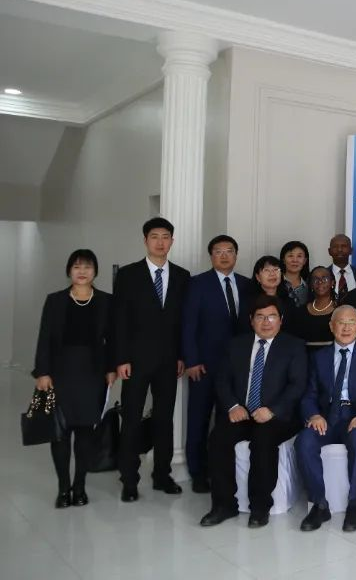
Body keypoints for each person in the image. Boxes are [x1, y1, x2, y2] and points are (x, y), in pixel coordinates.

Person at [200, 294, 307, 528]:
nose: (266, 322)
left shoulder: (294, 346)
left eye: (272, 316)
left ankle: (260, 507)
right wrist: (233, 406)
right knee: (218, 438)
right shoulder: (236, 344)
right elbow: (222, 380)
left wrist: (272, 410)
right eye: (260, 317)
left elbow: (298, 385)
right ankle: (223, 505)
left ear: (281, 320)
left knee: (263, 440)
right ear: (251, 320)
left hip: (277, 416)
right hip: (243, 412)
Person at [112, 217, 190, 502]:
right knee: (131, 419)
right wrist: (121, 358)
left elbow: (183, 321)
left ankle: (162, 475)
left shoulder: (182, 276)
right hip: (135, 360)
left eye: (165, 237)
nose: (160, 242)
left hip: (169, 360)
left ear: (172, 241)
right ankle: (129, 479)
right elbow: (119, 320)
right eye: (154, 236)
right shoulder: (128, 275)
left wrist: (181, 355)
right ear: (145, 240)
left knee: (164, 419)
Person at [32, 249, 114, 508]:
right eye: (77, 266)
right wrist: (42, 372)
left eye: (87, 267)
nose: (82, 271)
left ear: (95, 271)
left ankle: (80, 487)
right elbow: (44, 337)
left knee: (86, 432)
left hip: (92, 373)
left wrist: (111, 368)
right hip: (60, 373)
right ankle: (63, 488)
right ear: (69, 270)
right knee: (60, 432)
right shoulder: (55, 300)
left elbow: (112, 339)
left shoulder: (106, 301)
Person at [296, 305, 356, 532]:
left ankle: (355, 504)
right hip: (326, 417)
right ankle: (319, 505)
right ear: (332, 327)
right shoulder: (318, 357)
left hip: (355, 416)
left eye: (351, 322)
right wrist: (314, 415)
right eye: (341, 322)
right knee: (304, 441)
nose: (346, 327)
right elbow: (309, 394)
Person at [181, 234, 253, 493]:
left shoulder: (247, 284)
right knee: (199, 419)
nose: (224, 256)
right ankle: (198, 472)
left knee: (229, 422)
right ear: (211, 256)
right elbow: (188, 325)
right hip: (204, 365)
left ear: (236, 255)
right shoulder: (197, 284)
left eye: (229, 251)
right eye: (218, 251)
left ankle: (223, 471)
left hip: (237, 368)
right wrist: (191, 360)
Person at [288, 266, 336, 356]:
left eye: (324, 279)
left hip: (332, 360)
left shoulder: (341, 311)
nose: (320, 282)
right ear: (311, 285)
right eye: (315, 279)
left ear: (332, 282)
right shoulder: (299, 312)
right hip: (303, 360)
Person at [328, 234, 356, 303]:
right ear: (329, 251)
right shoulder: (322, 276)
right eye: (335, 246)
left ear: (351, 250)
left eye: (344, 246)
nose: (339, 250)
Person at [279, 240, 311, 309]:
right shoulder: (275, 282)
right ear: (283, 260)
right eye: (290, 256)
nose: (295, 260)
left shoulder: (310, 285)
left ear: (305, 261)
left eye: (299, 256)